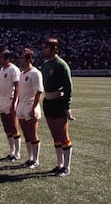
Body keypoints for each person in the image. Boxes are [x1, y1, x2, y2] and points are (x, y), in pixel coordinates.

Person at [42, 38, 75, 177]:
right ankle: (59, 164)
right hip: (48, 102)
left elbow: (68, 86)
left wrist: (67, 107)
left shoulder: (61, 65)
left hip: (58, 102)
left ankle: (67, 167)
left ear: (54, 48)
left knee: (63, 135)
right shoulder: (44, 65)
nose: (43, 50)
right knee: (55, 135)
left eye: (46, 47)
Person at [16, 48, 44, 169]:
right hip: (21, 105)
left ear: (28, 59)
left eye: (22, 57)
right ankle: (30, 158)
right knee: (26, 134)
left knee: (33, 134)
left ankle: (36, 160)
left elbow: (39, 91)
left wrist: (34, 107)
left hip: (30, 105)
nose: (20, 60)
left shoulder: (35, 73)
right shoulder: (22, 73)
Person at [0, 49, 21, 162]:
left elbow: (17, 87)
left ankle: (17, 153)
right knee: (7, 128)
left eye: (0, 57)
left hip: (10, 100)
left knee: (14, 127)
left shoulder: (14, 69)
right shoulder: (2, 70)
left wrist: (14, 103)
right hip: (2, 100)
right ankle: (11, 151)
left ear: (7, 58)